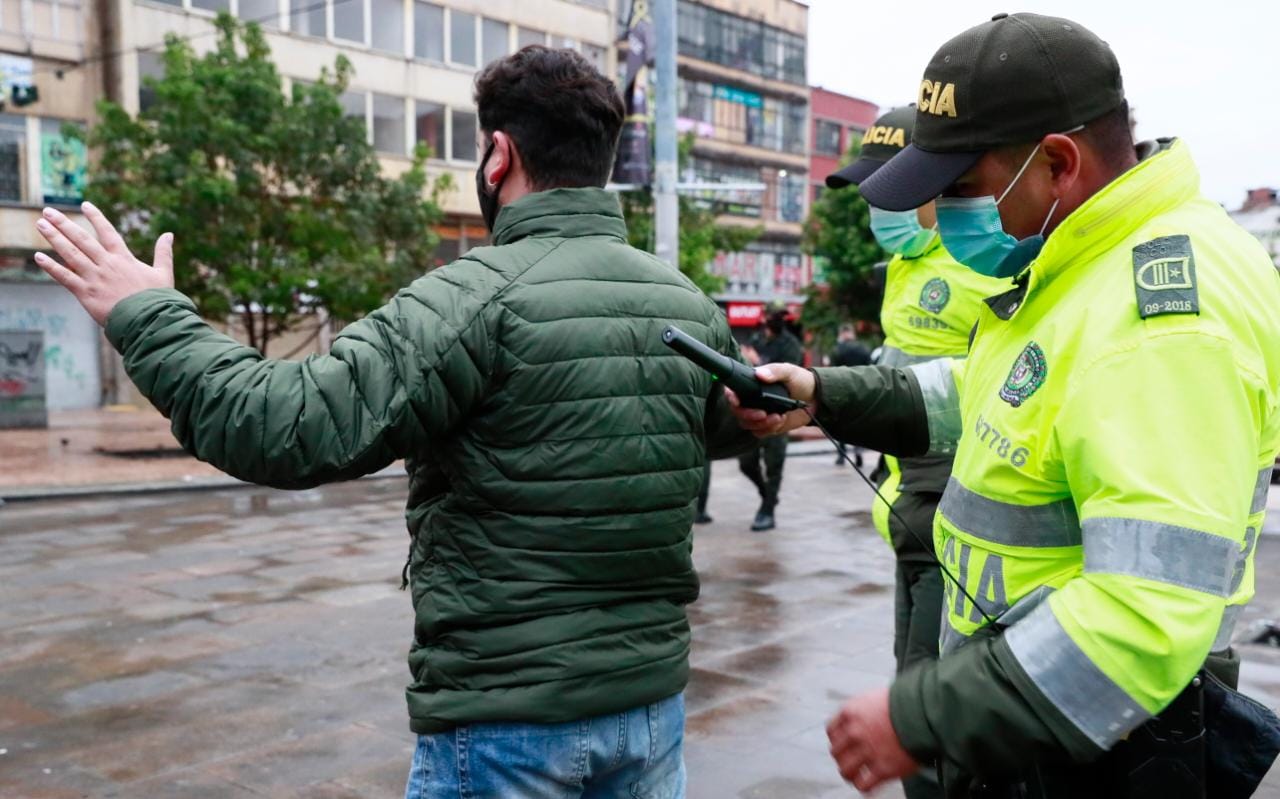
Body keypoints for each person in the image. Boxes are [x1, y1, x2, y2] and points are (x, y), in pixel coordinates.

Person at [33, 46, 755, 799]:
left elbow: (284, 424)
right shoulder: (686, 304)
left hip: (509, 726)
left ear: (498, 156)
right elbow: (713, 423)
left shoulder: (470, 300)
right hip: (650, 713)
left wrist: (146, 315)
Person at [729, 13, 1280, 796]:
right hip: (1036, 711)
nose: (946, 217)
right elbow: (983, 393)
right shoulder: (1084, 261)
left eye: (960, 190)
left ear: (1058, 162)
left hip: (1092, 736)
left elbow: (1145, 609)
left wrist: (922, 714)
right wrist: (822, 395)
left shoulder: (1163, 318)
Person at [824, 103, 1012, 799]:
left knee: (923, 713)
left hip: (954, 516)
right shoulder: (904, 266)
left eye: (891, 190)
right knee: (915, 681)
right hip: (908, 512)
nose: (880, 206)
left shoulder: (980, 263)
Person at [737, 301, 804, 532]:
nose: (775, 319)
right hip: (754, 410)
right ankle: (767, 496)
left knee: (774, 466)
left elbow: (789, 377)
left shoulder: (791, 344)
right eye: (772, 315)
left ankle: (767, 511)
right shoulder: (756, 340)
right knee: (746, 463)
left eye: (779, 315)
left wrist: (757, 362)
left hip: (778, 412)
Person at [829, 323, 871, 467]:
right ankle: (858, 451)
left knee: (841, 423)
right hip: (860, 391)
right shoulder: (863, 349)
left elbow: (832, 372)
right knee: (857, 423)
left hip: (842, 390)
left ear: (841, 334)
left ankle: (841, 455)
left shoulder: (837, 350)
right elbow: (871, 370)